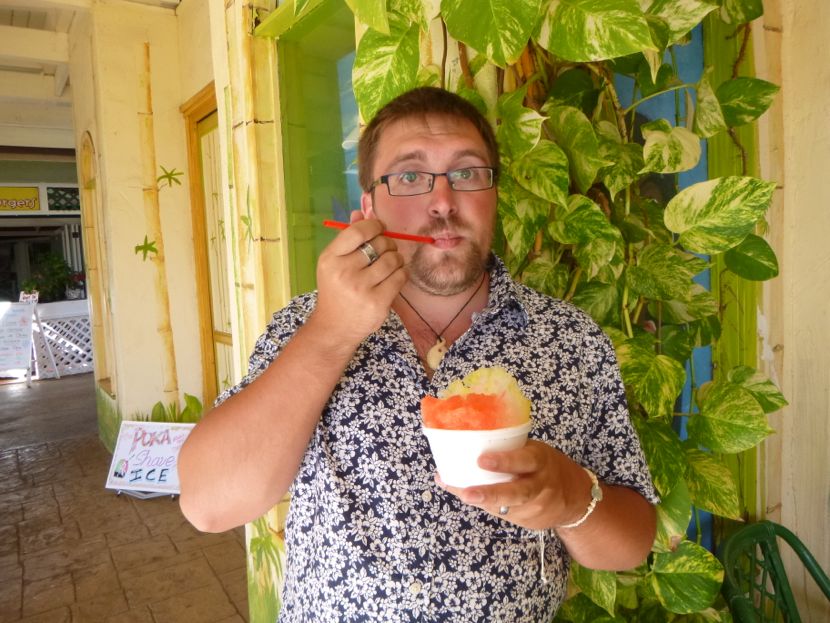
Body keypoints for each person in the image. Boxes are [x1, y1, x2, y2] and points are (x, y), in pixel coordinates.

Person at [179, 86, 658, 622]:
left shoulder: (569, 340)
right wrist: (331, 334)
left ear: (494, 194)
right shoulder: (304, 326)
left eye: (468, 173)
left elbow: (632, 542)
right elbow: (208, 504)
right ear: (369, 207)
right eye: (409, 176)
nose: (443, 202)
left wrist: (574, 499)